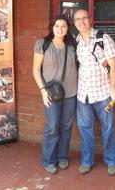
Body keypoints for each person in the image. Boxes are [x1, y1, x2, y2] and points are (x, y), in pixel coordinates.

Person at [73, 9, 115, 176]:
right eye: (77, 19)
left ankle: (112, 160)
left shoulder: (103, 38)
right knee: (85, 129)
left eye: (84, 18)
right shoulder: (76, 41)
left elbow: (114, 66)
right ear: (74, 22)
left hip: (103, 93)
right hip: (83, 94)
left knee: (108, 128)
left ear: (90, 19)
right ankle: (87, 161)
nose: (81, 21)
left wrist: (113, 88)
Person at [32, 15, 78, 175]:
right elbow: (36, 70)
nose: (60, 29)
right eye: (57, 26)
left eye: (63, 26)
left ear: (68, 28)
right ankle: (49, 160)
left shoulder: (73, 45)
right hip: (50, 93)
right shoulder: (43, 44)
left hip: (71, 92)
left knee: (66, 126)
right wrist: (43, 91)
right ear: (52, 27)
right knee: (52, 127)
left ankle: (62, 156)